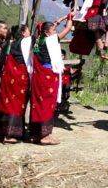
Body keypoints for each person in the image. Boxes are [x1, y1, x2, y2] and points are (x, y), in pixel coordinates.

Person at [30, 14, 73, 145]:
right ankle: (45, 136)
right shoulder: (51, 40)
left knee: (38, 103)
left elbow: (51, 27)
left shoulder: (38, 40)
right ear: (46, 32)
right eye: (53, 30)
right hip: (48, 75)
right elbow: (68, 29)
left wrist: (60, 19)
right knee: (47, 104)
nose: (55, 32)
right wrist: (70, 18)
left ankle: (36, 134)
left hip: (39, 76)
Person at [0, 25, 32, 143]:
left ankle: (9, 132)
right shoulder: (26, 42)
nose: (29, 33)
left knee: (9, 103)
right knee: (16, 104)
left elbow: (1, 62)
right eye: (27, 30)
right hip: (19, 78)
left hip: (8, 77)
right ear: (22, 33)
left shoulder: (8, 43)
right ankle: (9, 135)